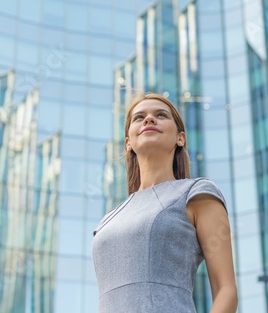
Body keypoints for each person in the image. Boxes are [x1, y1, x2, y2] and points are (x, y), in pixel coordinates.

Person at [92, 93, 238, 312]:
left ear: (180, 138)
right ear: (128, 142)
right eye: (139, 117)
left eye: (161, 115)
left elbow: (226, 290)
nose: (149, 120)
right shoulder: (107, 221)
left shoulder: (196, 193)